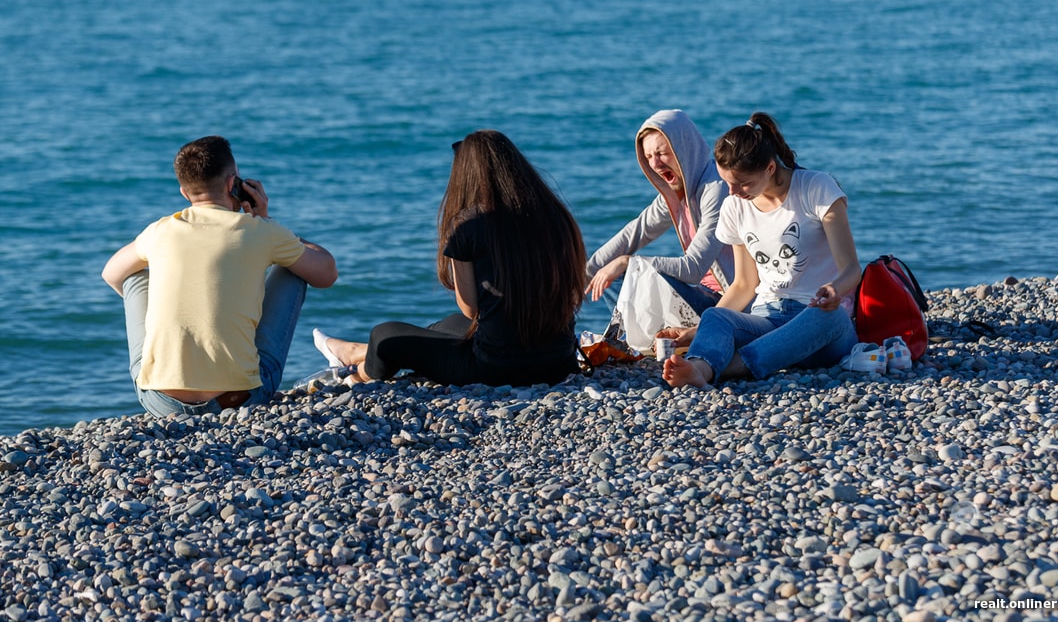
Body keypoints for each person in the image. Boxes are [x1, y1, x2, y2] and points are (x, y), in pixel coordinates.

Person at [313, 129, 587, 387]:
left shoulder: (468, 225)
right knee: (447, 326)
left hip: (496, 368)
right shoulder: (556, 216)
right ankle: (358, 352)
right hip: (558, 363)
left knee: (384, 335)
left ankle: (357, 373)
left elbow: (471, 308)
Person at [102, 135, 338, 416]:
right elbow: (326, 274)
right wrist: (268, 221)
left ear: (184, 192)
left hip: (161, 403)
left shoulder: (160, 231)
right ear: (232, 185)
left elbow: (112, 274)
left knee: (134, 277)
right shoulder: (261, 231)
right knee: (293, 266)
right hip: (240, 400)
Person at [661, 112, 861, 388]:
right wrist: (700, 331)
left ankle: (731, 367)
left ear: (769, 168)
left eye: (743, 183)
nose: (732, 192)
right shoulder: (734, 206)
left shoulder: (817, 188)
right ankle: (699, 367)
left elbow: (851, 269)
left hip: (818, 322)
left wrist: (835, 290)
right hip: (766, 319)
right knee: (715, 316)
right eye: (726, 182)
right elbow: (744, 284)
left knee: (827, 316)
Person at [585, 109, 734, 346]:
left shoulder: (716, 189)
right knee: (609, 275)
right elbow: (634, 233)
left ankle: (632, 341)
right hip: (700, 296)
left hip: (729, 305)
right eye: (648, 156)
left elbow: (694, 269)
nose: (655, 163)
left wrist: (628, 263)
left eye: (662, 153)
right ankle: (625, 341)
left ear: (684, 148)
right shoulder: (676, 193)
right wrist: (583, 276)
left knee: (629, 270)